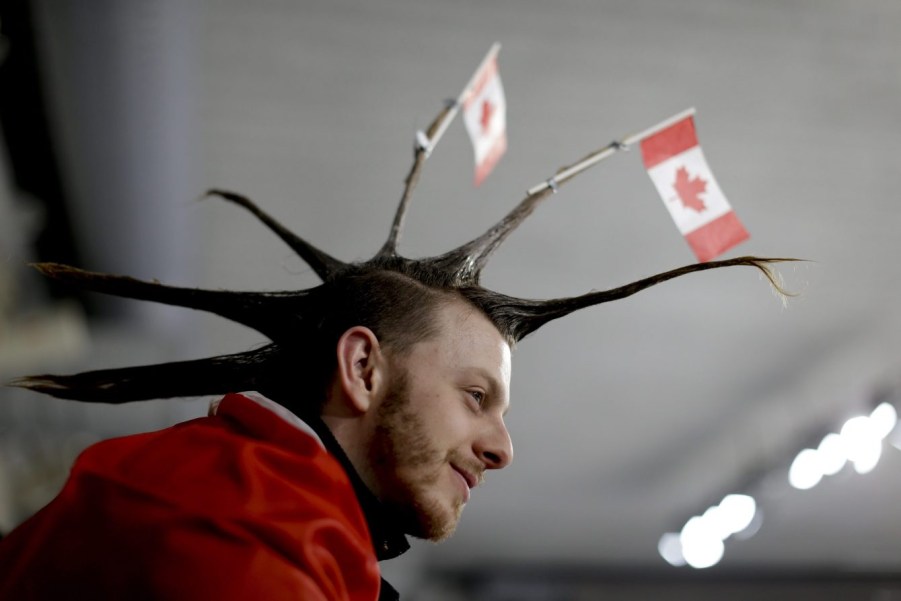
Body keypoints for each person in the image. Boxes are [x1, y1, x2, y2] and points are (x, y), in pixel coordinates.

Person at [0, 184, 790, 599]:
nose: (503, 446)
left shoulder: (248, 493)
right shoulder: (236, 523)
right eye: (475, 395)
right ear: (363, 369)